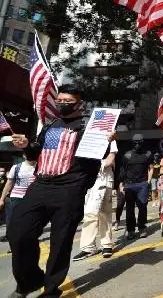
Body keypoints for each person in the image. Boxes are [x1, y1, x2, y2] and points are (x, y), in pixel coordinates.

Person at [9, 84, 114, 298]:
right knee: (18, 233)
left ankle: (50, 290)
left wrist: (106, 141)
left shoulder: (88, 127)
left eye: (68, 102)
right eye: (60, 101)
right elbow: (35, 154)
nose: (62, 105)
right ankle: (29, 282)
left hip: (69, 188)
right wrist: (27, 145)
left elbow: (94, 157)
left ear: (79, 103)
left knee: (61, 242)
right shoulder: (50, 124)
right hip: (40, 184)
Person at [73, 141, 119, 260]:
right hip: (91, 182)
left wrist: (94, 165)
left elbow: (111, 158)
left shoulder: (111, 140)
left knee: (104, 214)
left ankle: (106, 245)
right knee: (90, 214)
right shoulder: (87, 138)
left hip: (104, 179)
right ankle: (89, 247)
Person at [0, 145, 39, 239]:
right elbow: (9, 184)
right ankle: (13, 241)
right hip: (15, 198)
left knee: (29, 223)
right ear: (24, 155)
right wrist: (2, 199)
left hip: (32, 199)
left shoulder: (39, 168)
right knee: (12, 222)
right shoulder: (16, 167)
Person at [119, 134, 152, 240]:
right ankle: (131, 230)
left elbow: (151, 168)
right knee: (129, 209)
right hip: (129, 185)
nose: (137, 144)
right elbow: (122, 171)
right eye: (135, 142)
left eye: (139, 142)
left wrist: (148, 181)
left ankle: (142, 228)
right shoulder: (127, 155)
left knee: (142, 207)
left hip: (142, 184)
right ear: (132, 143)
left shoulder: (147, 154)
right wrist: (120, 185)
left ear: (142, 142)